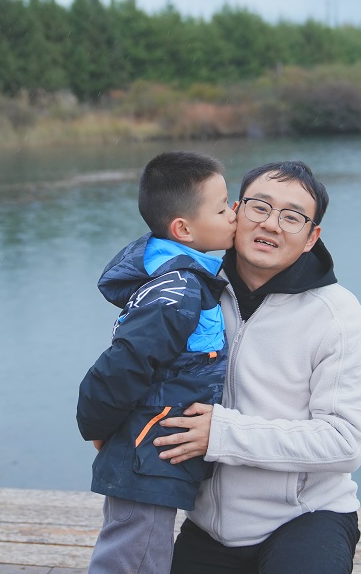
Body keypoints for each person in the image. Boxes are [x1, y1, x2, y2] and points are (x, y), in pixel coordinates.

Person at [152, 160, 361, 574]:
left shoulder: (338, 316)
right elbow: (139, 366)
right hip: (207, 525)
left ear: (311, 237)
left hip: (307, 517)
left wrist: (224, 434)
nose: (271, 224)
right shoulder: (191, 290)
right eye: (260, 207)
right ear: (235, 212)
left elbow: (345, 442)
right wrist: (106, 419)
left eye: (292, 217)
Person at [77, 151, 238, 574]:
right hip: (146, 452)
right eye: (223, 208)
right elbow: (125, 361)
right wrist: (98, 425)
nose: (234, 214)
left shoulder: (181, 275)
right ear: (183, 229)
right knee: (134, 561)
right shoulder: (178, 291)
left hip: (148, 449)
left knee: (136, 554)